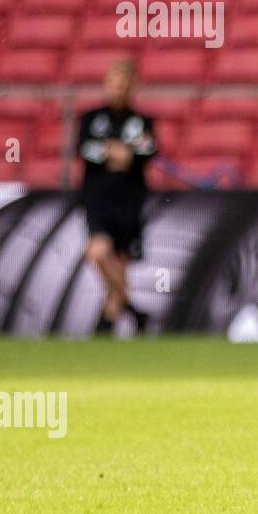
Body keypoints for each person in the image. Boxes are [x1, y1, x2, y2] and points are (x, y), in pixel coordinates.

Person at [78, 58, 157, 336]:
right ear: (106, 84)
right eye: (114, 82)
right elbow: (84, 149)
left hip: (129, 202)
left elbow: (147, 152)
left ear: (133, 86)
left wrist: (118, 152)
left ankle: (106, 327)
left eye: (124, 83)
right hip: (98, 200)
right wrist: (118, 152)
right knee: (97, 253)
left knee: (121, 265)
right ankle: (134, 311)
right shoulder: (91, 118)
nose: (118, 89)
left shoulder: (142, 121)